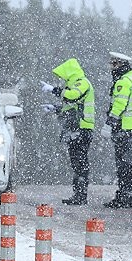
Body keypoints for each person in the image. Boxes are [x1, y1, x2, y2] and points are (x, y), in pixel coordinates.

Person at [42, 58, 95, 205]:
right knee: (76, 162)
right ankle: (78, 194)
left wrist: (54, 90)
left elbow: (72, 96)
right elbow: (71, 108)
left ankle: (81, 195)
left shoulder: (81, 83)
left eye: (63, 77)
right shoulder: (74, 85)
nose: (62, 80)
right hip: (75, 130)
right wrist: (55, 108)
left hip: (82, 130)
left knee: (80, 163)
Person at [103, 51, 132, 209]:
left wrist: (110, 122)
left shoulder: (124, 81)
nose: (111, 68)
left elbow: (119, 104)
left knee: (124, 164)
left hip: (125, 127)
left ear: (120, 64)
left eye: (113, 64)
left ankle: (124, 196)